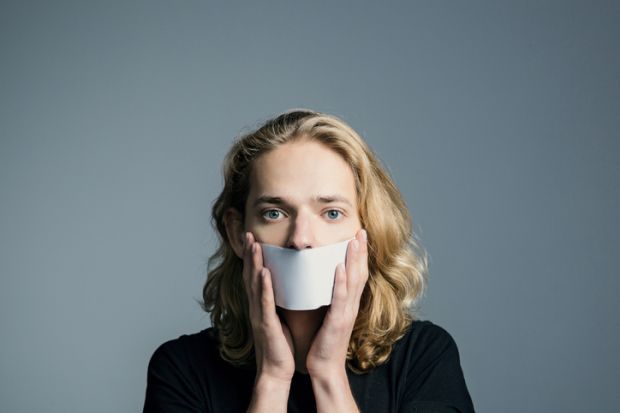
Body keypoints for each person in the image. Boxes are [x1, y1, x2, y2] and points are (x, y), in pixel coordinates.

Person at [143, 110, 475, 412]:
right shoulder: (182, 368)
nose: (301, 238)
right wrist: (272, 379)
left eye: (331, 213)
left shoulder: (423, 358)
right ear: (237, 233)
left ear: (368, 231)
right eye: (274, 213)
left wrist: (328, 374)